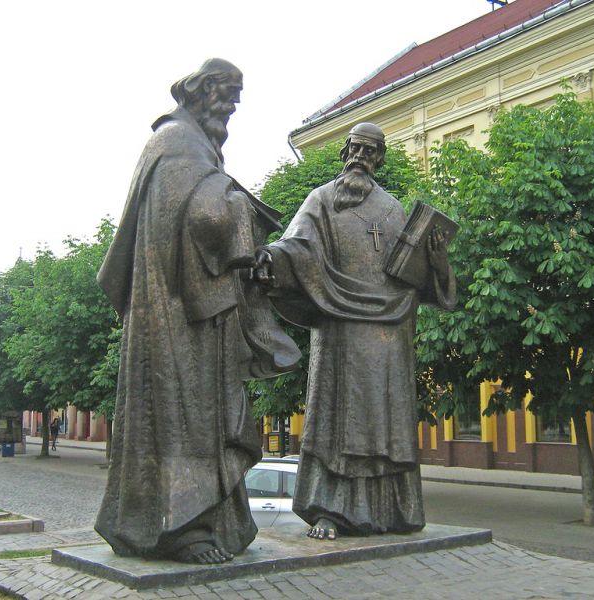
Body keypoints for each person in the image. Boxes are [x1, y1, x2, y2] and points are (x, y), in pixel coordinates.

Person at [95, 58, 299, 564]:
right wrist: (237, 207)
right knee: (183, 410)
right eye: (228, 94)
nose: (232, 106)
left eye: (237, 97)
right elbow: (196, 218)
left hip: (196, 306)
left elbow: (202, 211)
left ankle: (212, 524)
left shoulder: (193, 145)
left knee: (206, 410)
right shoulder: (175, 143)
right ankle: (182, 530)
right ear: (204, 89)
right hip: (176, 312)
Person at [254, 123, 456, 541]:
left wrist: (437, 261)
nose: (361, 156)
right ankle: (329, 511)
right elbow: (296, 248)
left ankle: (393, 511)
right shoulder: (322, 200)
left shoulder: (393, 209)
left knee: (387, 422)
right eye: (355, 148)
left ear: (380, 158)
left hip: (391, 330)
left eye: (370, 150)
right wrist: (270, 259)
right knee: (338, 419)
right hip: (340, 323)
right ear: (345, 152)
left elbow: (417, 280)